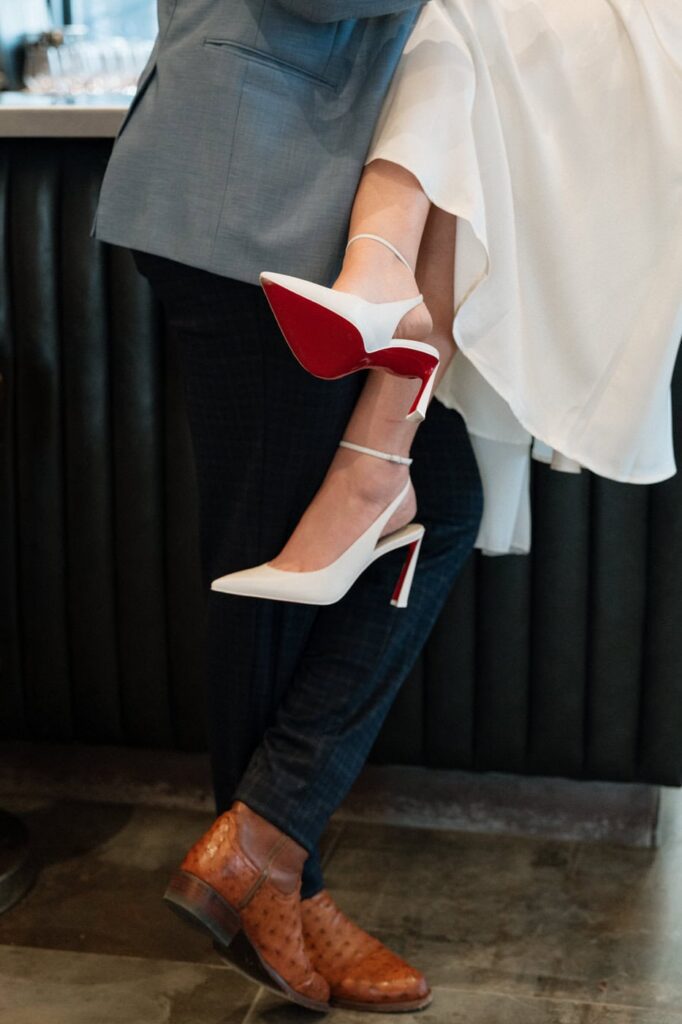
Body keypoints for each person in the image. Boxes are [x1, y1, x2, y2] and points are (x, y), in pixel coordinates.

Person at [92, 0, 483, 1014]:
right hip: (248, 187)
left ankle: (267, 841)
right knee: (277, 559)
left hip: (283, 191)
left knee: (430, 503)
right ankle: (274, 876)